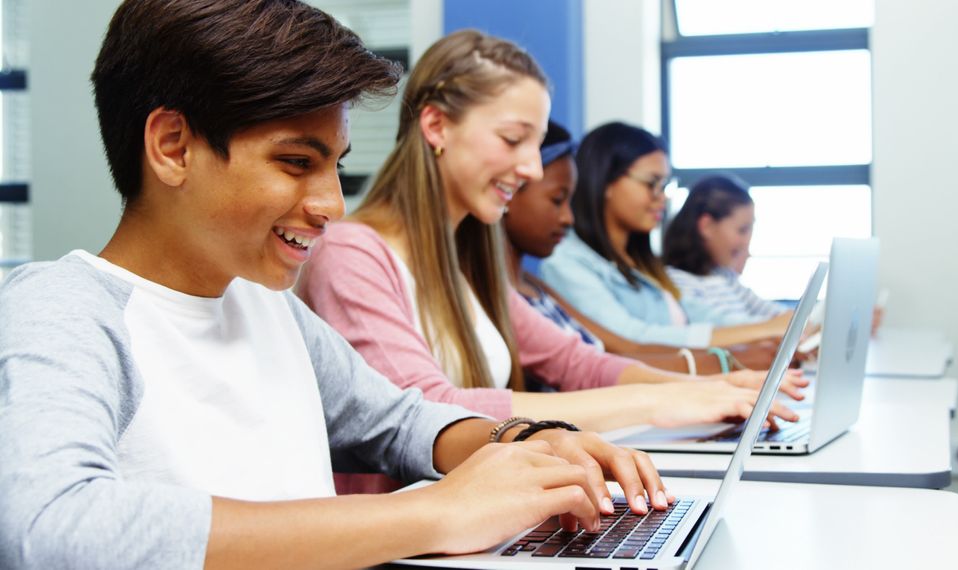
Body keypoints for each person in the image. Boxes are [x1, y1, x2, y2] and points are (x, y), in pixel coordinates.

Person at [0, 3, 679, 567]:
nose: (331, 204)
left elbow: (401, 420)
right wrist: (429, 515)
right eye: (297, 162)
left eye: (335, 166)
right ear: (173, 146)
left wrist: (522, 442)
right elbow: (52, 523)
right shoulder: (63, 307)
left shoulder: (270, 309)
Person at [295, 31, 802, 444]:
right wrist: (661, 402)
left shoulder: (467, 258)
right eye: (514, 140)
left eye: (535, 145)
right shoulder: (351, 254)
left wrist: (708, 387)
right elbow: (429, 410)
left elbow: (574, 361)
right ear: (436, 125)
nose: (532, 168)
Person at [503, 121, 785, 373]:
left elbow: (698, 316)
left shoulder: (642, 265)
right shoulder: (564, 265)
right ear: (607, 183)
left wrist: (764, 333)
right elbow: (628, 342)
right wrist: (732, 355)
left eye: (664, 185)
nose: (660, 197)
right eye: (652, 184)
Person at [662, 174, 793, 325]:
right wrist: (774, 326)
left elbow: (777, 313)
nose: (746, 241)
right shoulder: (677, 281)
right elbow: (716, 328)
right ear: (707, 226)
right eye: (742, 230)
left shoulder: (726, 277)